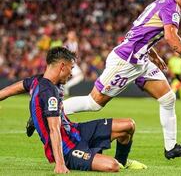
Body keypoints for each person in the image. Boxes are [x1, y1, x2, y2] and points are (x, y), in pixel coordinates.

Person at [43, 0, 181, 159]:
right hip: (125, 61)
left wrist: (154, 55)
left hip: (141, 60)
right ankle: (45, 111)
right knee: (94, 103)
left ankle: (171, 148)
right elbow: (171, 38)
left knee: (168, 98)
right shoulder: (172, 7)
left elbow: (140, 32)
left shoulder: (163, 2)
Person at [0, 47, 146, 173]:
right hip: (67, 148)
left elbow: (7, 91)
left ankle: (122, 160)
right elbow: (54, 129)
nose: (71, 73)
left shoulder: (35, 81)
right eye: (71, 68)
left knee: (128, 125)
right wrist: (60, 164)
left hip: (75, 131)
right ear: (62, 66)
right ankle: (85, 158)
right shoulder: (49, 93)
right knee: (111, 166)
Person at [63, 30, 84, 95]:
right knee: (80, 76)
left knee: (80, 76)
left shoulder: (75, 43)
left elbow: (76, 54)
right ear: (68, 36)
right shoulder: (66, 45)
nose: (73, 35)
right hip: (68, 63)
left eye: (74, 34)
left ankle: (65, 87)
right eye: (71, 34)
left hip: (73, 63)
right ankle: (65, 87)